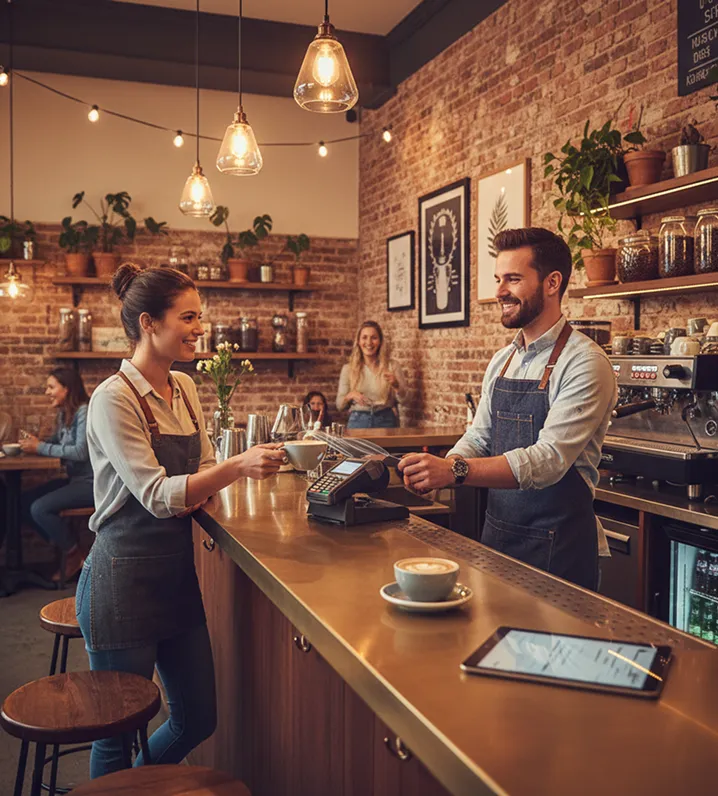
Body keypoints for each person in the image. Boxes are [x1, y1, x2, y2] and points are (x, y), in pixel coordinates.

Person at [75, 263, 285, 779]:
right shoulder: (112, 399)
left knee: (197, 720)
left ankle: (140, 786)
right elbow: (154, 494)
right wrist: (236, 468)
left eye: (200, 317)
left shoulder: (186, 388)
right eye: (188, 317)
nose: (200, 329)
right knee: (117, 735)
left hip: (174, 578)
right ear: (149, 323)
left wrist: (210, 482)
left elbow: (205, 464)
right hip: (120, 581)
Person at [399, 228, 617, 590]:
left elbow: (548, 460)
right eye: (499, 279)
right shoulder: (503, 360)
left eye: (513, 279)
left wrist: (454, 470)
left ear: (552, 283)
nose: (500, 291)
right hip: (497, 541)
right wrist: (439, 468)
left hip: (560, 553)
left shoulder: (585, 362)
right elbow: (480, 436)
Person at [20, 368, 94, 582]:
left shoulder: (84, 411)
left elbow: (80, 452)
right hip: (75, 480)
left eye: (51, 387)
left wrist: (40, 447)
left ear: (67, 389)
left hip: (91, 484)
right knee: (23, 502)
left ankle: (73, 554)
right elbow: (56, 441)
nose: (47, 392)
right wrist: (34, 442)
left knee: (39, 508)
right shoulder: (65, 413)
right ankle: (65, 542)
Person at [336, 320, 407, 429]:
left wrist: (396, 386)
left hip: (386, 420)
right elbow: (339, 405)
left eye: (374, 338)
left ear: (380, 342)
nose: (369, 342)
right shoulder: (348, 369)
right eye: (364, 337)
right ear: (359, 342)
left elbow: (406, 401)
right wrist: (350, 395)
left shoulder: (392, 366)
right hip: (358, 421)